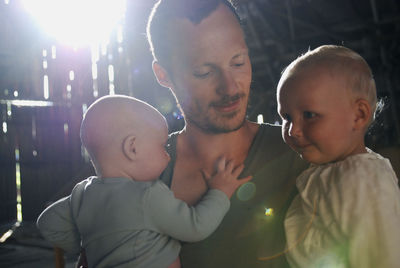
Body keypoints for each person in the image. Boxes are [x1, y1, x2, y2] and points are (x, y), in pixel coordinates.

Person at [145, 0, 308, 267]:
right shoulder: (144, 176)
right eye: (204, 72)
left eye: (238, 62)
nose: (230, 87)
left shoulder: (301, 152)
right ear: (163, 75)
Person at [36, 95, 252, 268]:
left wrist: (89, 248)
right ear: (133, 148)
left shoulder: (82, 193)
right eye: (162, 146)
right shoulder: (147, 195)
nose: (168, 155)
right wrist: (220, 191)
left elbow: (47, 223)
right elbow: (196, 227)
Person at [276, 45, 400, 268]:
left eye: (309, 115)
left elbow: (381, 257)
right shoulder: (331, 170)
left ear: (358, 115)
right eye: (286, 117)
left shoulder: (361, 179)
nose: (293, 130)